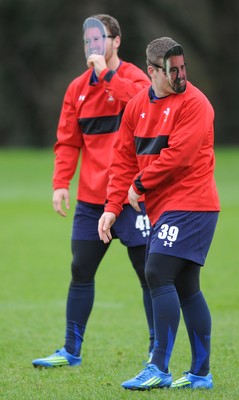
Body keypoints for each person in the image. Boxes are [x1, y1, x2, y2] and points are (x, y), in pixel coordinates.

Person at [98, 37, 220, 390]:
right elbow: (121, 160)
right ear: (152, 71)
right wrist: (112, 207)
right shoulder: (136, 106)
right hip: (164, 207)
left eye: (183, 68)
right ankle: (200, 375)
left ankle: (159, 367)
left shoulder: (196, 103)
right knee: (185, 287)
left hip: (193, 204)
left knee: (156, 272)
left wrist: (139, 185)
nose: (180, 76)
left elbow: (178, 156)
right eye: (172, 71)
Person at [32, 14, 153, 368]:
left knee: (150, 276)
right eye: (88, 41)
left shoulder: (134, 78)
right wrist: (59, 184)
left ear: (116, 41)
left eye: (99, 39)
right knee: (80, 271)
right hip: (90, 201)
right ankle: (71, 351)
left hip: (133, 199)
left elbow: (142, 105)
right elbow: (67, 142)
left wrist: (107, 76)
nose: (93, 46)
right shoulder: (76, 88)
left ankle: (155, 353)